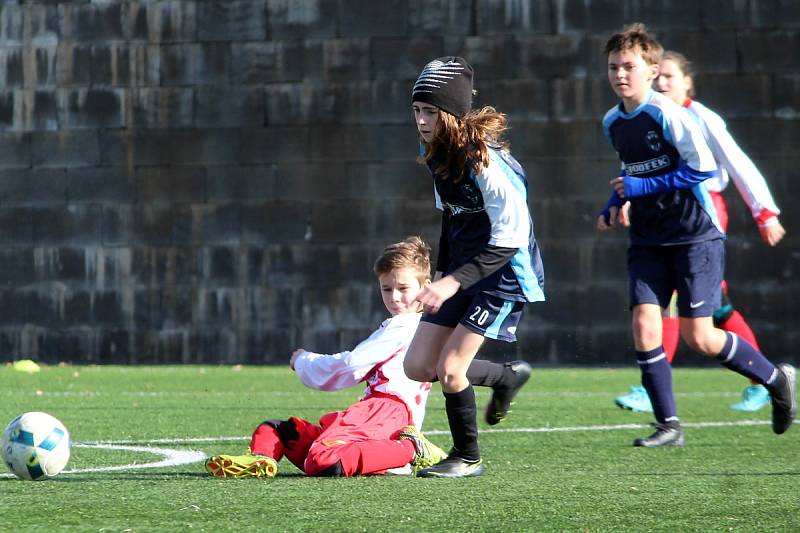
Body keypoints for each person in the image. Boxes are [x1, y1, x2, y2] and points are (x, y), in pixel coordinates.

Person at [596, 23, 795, 447]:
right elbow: (634, 171)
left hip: (694, 235)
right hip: (648, 238)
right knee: (645, 326)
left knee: (700, 336)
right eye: (613, 67)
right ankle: (669, 426)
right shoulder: (613, 121)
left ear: (651, 70)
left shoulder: (671, 114)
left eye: (629, 66)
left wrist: (640, 188)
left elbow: (702, 168)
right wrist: (614, 203)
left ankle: (776, 379)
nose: (620, 74)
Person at [205, 237, 530, 478]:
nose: (395, 297)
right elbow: (455, 368)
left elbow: (350, 366)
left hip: (385, 412)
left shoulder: (405, 327)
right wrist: (501, 376)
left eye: (404, 288)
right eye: (387, 289)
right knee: (276, 429)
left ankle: (411, 449)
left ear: (426, 286)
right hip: (370, 413)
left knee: (322, 461)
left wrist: (303, 360)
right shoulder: (421, 331)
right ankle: (262, 460)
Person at [404, 57, 546, 477]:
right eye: (416, 111)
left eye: (430, 111)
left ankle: (467, 458)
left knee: (450, 369)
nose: (422, 120)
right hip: (462, 274)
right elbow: (451, 219)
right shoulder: (436, 155)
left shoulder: (486, 163)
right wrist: (440, 278)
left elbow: (510, 239)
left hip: (502, 277)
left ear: (452, 113)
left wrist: (451, 283)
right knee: (417, 367)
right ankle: (504, 377)